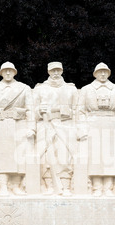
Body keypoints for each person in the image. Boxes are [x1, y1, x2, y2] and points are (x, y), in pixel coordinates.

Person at [0, 62, 35, 196]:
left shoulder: (24, 88)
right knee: (1, 156)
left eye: (10, 71)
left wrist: (32, 128)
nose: (7, 73)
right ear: (1, 72)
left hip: (19, 125)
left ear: (14, 72)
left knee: (19, 156)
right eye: (5, 71)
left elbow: (30, 109)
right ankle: (3, 186)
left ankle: (16, 186)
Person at [77, 62, 115, 196]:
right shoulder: (86, 89)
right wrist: (82, 129)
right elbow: (80, 111)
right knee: (95, 157)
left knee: (111, 157)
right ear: (95, 74)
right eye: (100, 72)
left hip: (112, 124)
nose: (103, 74)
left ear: (109, 73)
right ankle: (97, 187)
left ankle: (109, 188)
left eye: (105, 72)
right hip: (93, 123)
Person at [33, 62, 78, 196]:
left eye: (58, 70)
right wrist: (39, 111)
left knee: (64, 156)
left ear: (62, 71)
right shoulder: (40, 89)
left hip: (65, 125)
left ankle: (66, 186)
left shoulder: (71, 89)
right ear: (48, 72)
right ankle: (49, 186)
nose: (56, 73)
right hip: (45, 125)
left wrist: (67, 112)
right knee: (45, 157)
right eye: (53, 70)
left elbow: (77, 110)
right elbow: (32, 110)